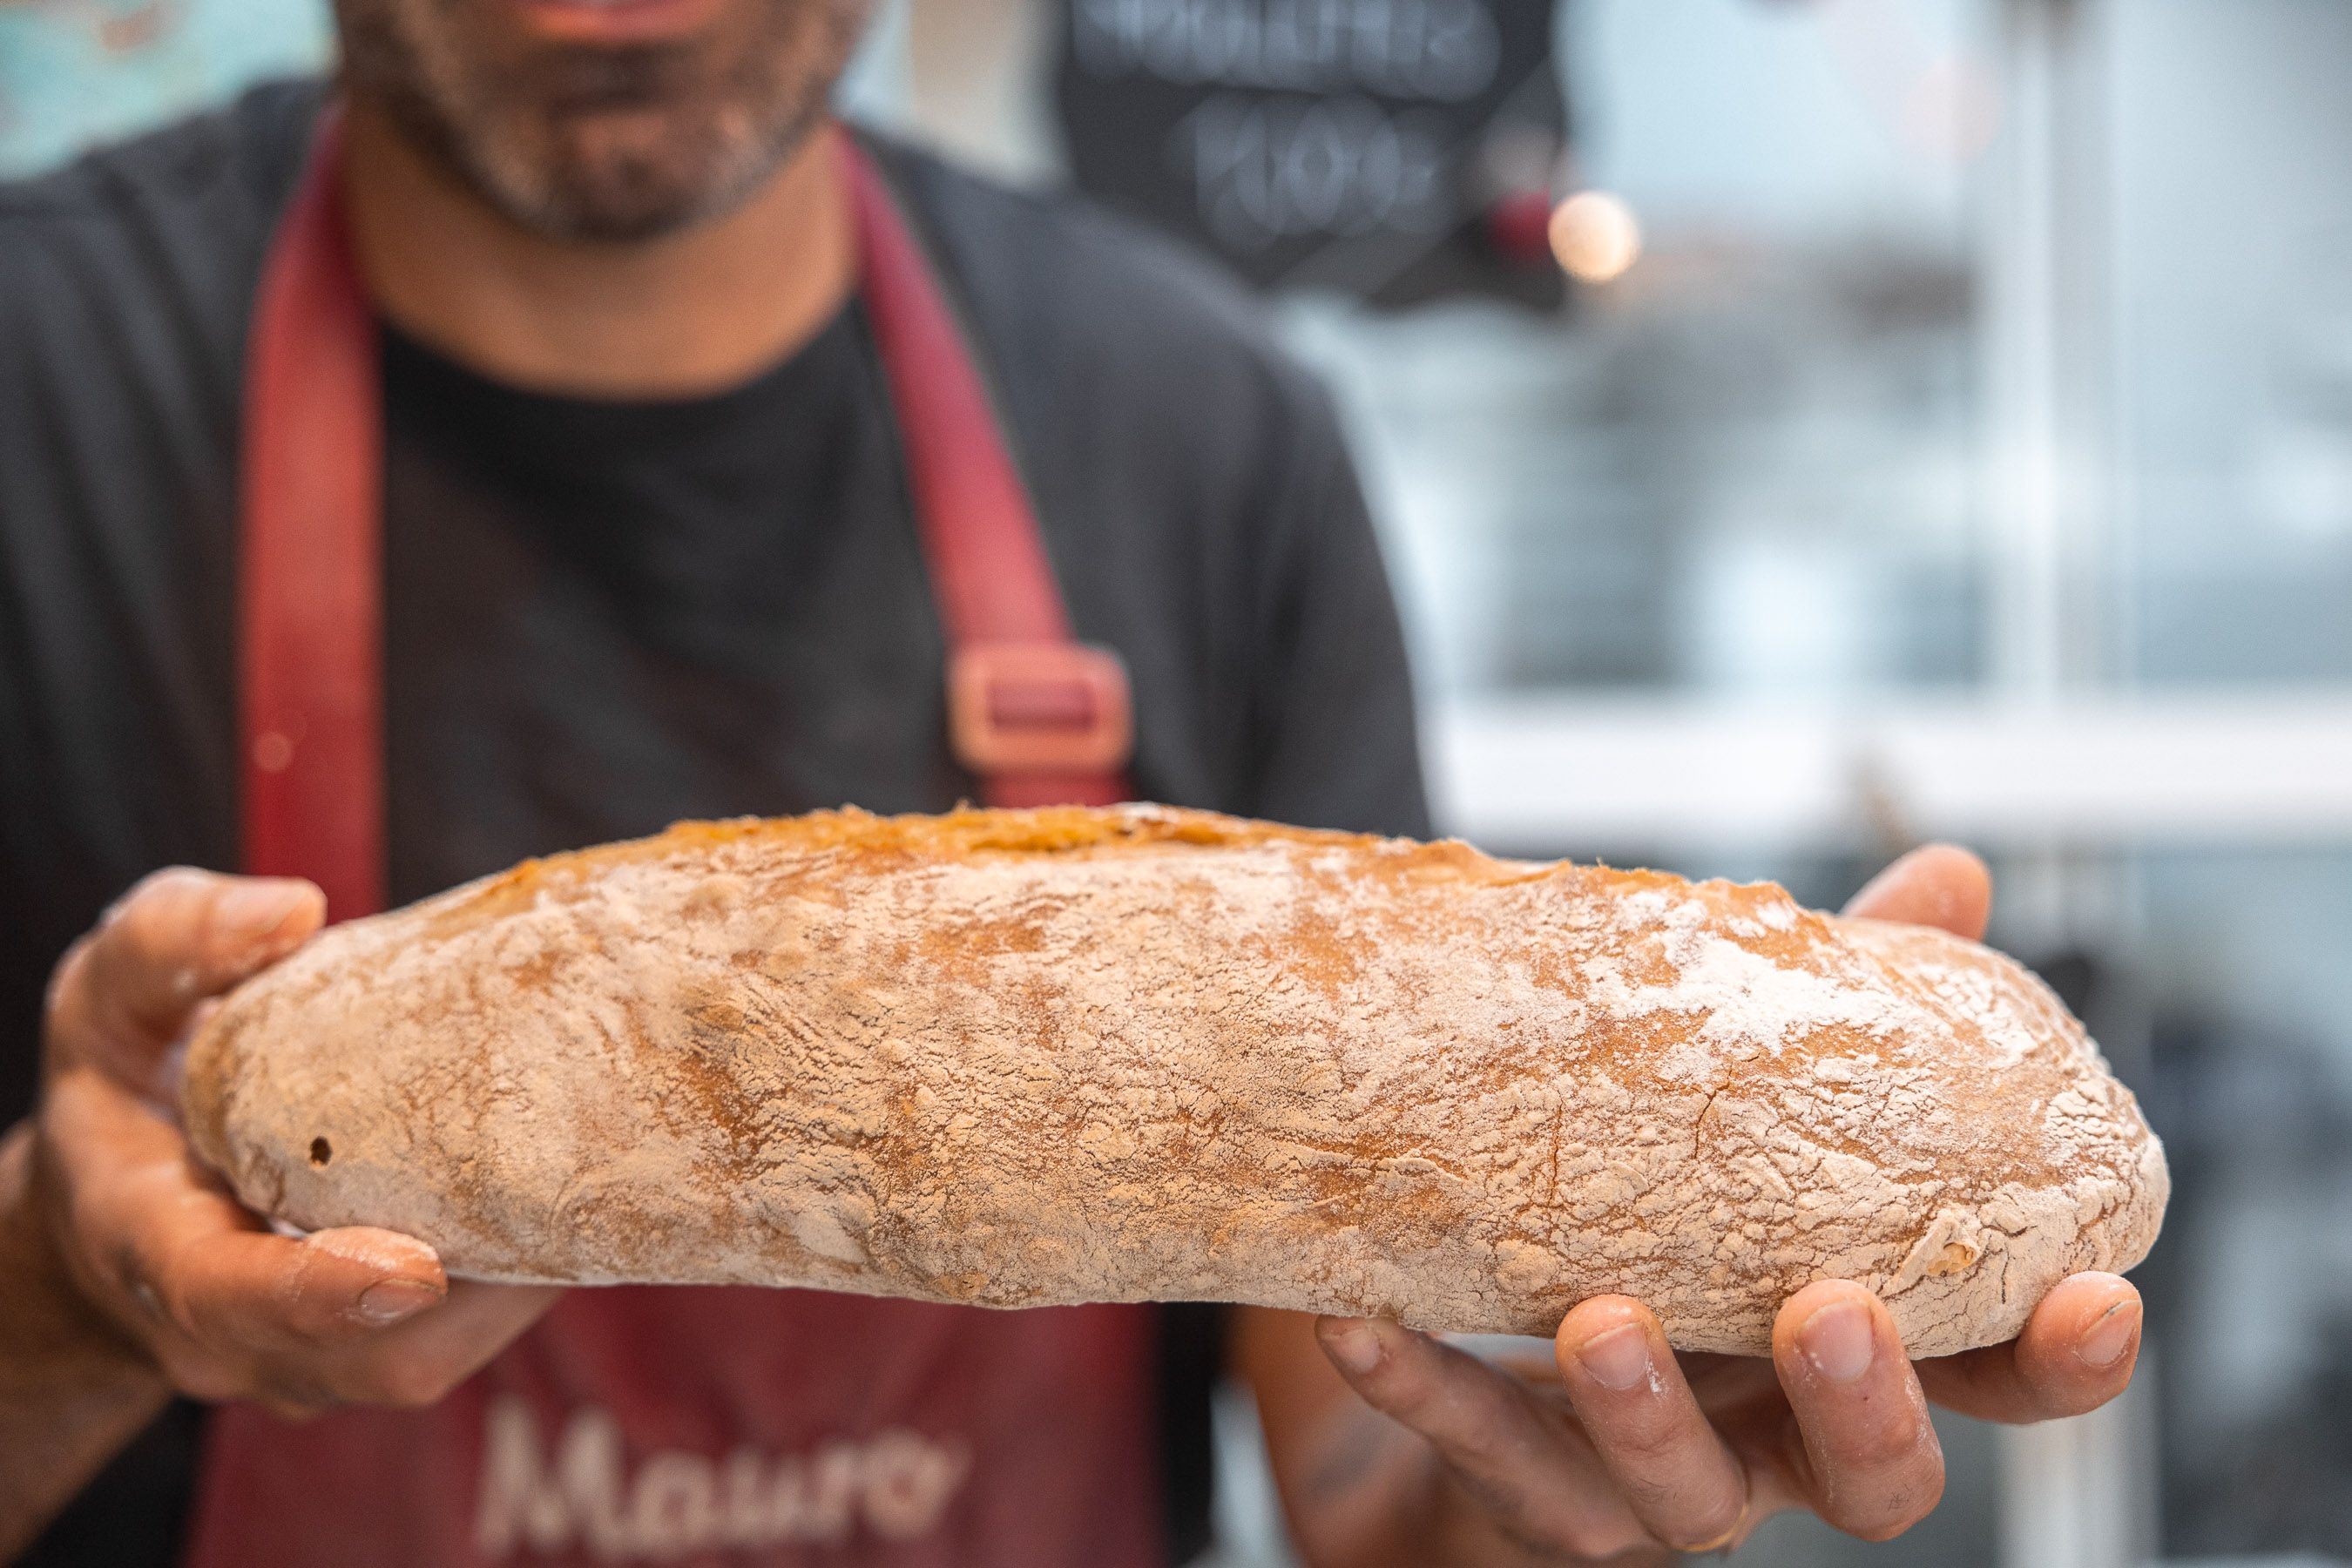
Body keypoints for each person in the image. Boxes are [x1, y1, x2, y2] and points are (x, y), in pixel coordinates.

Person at [0, 0, 2146, 1562]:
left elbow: (1372, 1495)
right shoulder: (42, 382)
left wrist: (1566, 1480)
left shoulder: (1205, 425)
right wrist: (67, 1294)